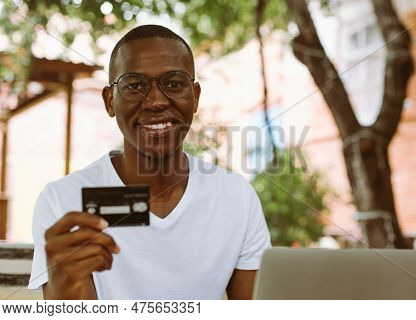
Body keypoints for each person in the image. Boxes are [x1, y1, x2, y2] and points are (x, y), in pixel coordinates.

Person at [28, 25, 271, 300]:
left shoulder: (236, 197)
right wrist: (64, 283)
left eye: (174, 83)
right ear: (110, 101)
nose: (155, 101)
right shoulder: (62, 200)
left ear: (195, 97)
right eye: (134, 86)